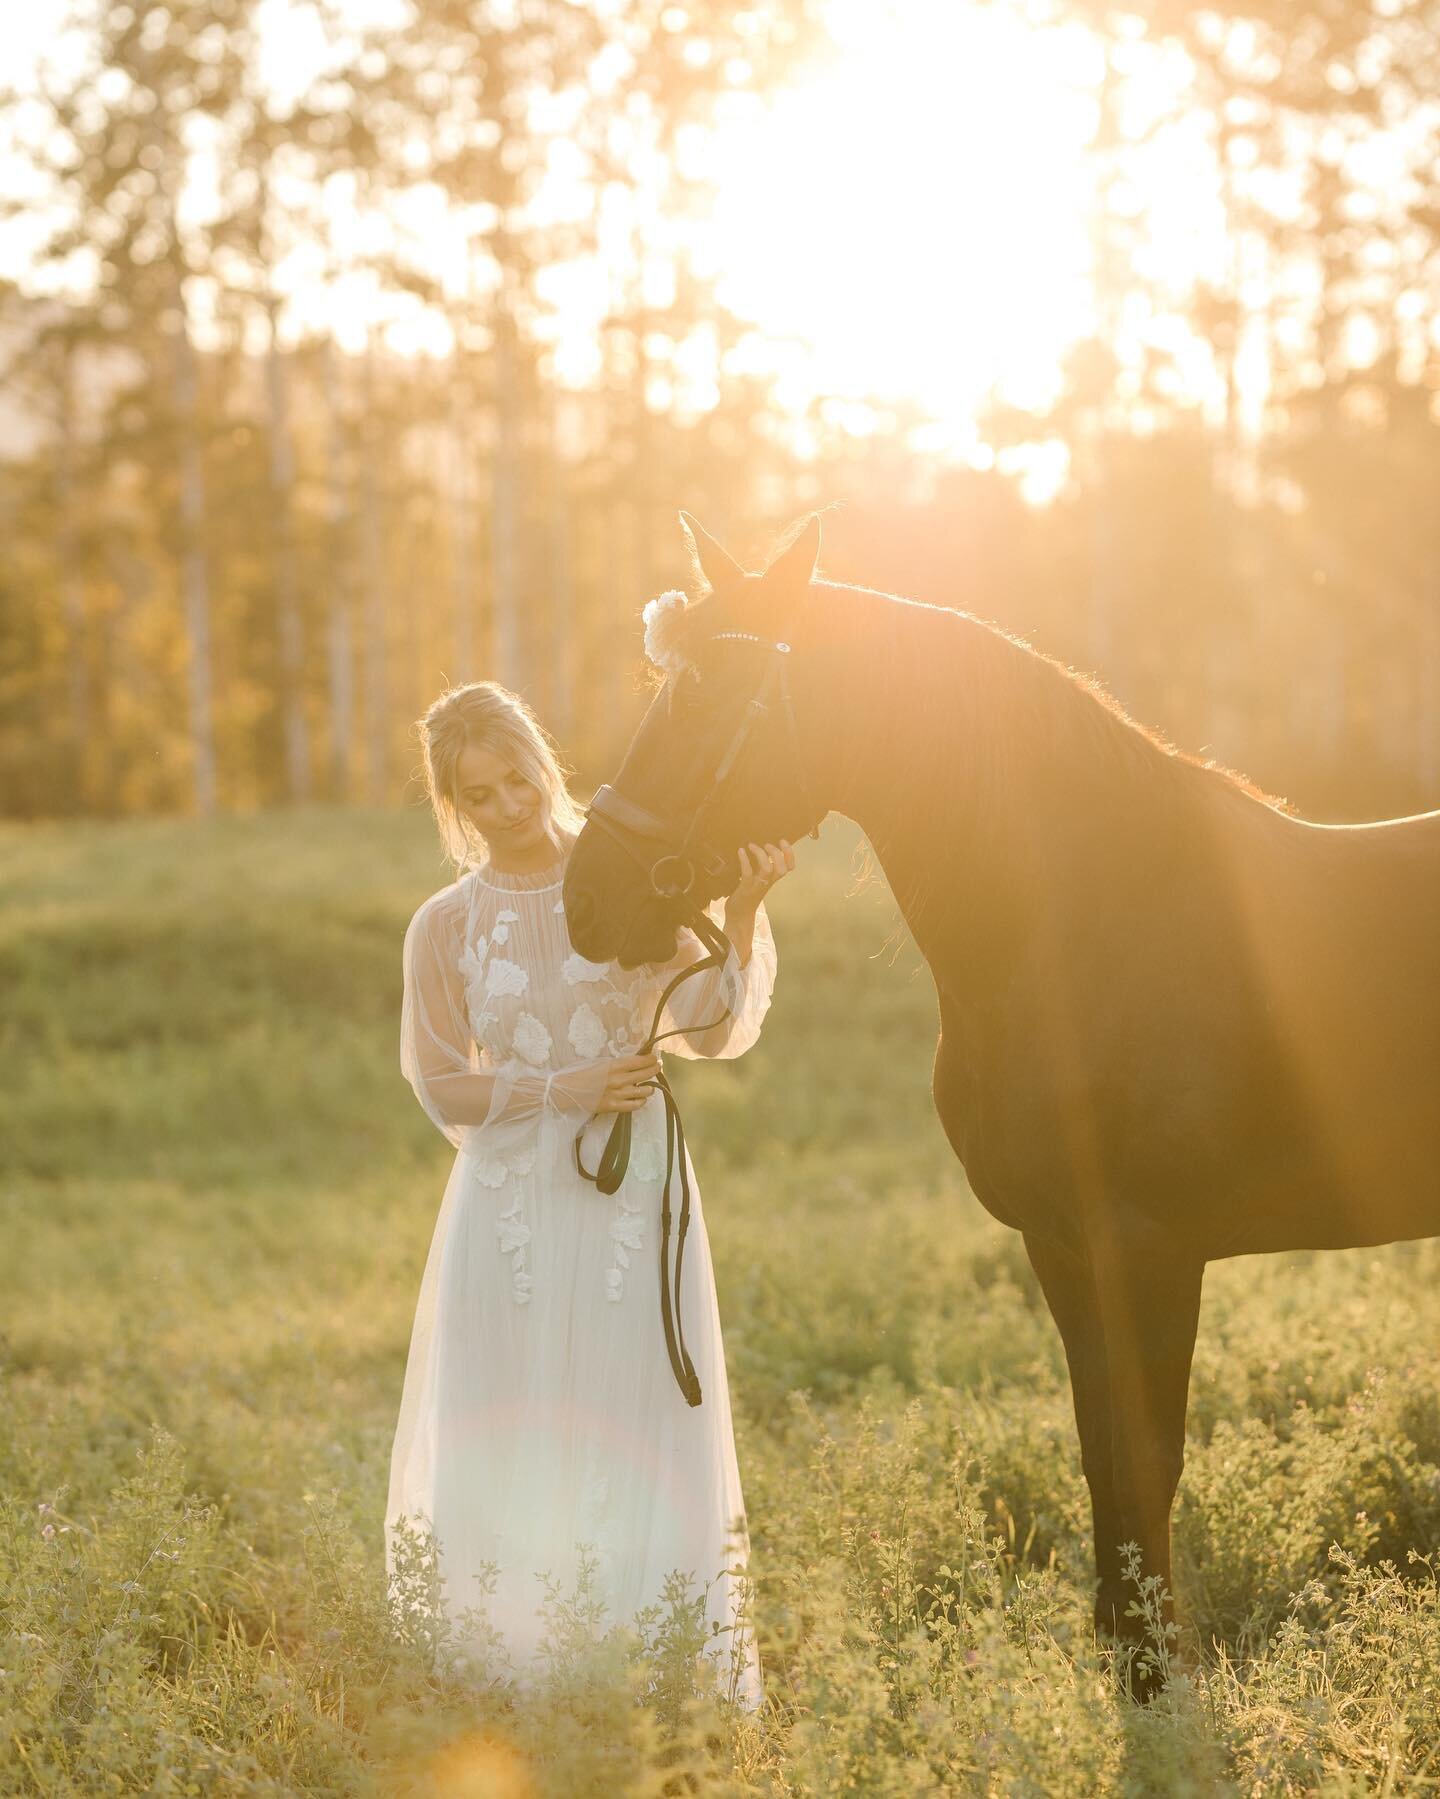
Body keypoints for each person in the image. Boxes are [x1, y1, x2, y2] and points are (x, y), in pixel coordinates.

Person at [385, 679, 792, 1706]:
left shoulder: (626, 883)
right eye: (479, 794)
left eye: (517, 776)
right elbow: (440, 1078)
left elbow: (704, 1026)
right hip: (509, 1202)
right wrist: (558, 1087)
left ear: (542, 758)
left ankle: (656, 1662)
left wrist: (740, 914)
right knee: (514, 1407)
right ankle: (516, 1659)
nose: (509, 804)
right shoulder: (444, 924)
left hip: (631, 1185)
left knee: (636, 1399)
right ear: (455, 805)